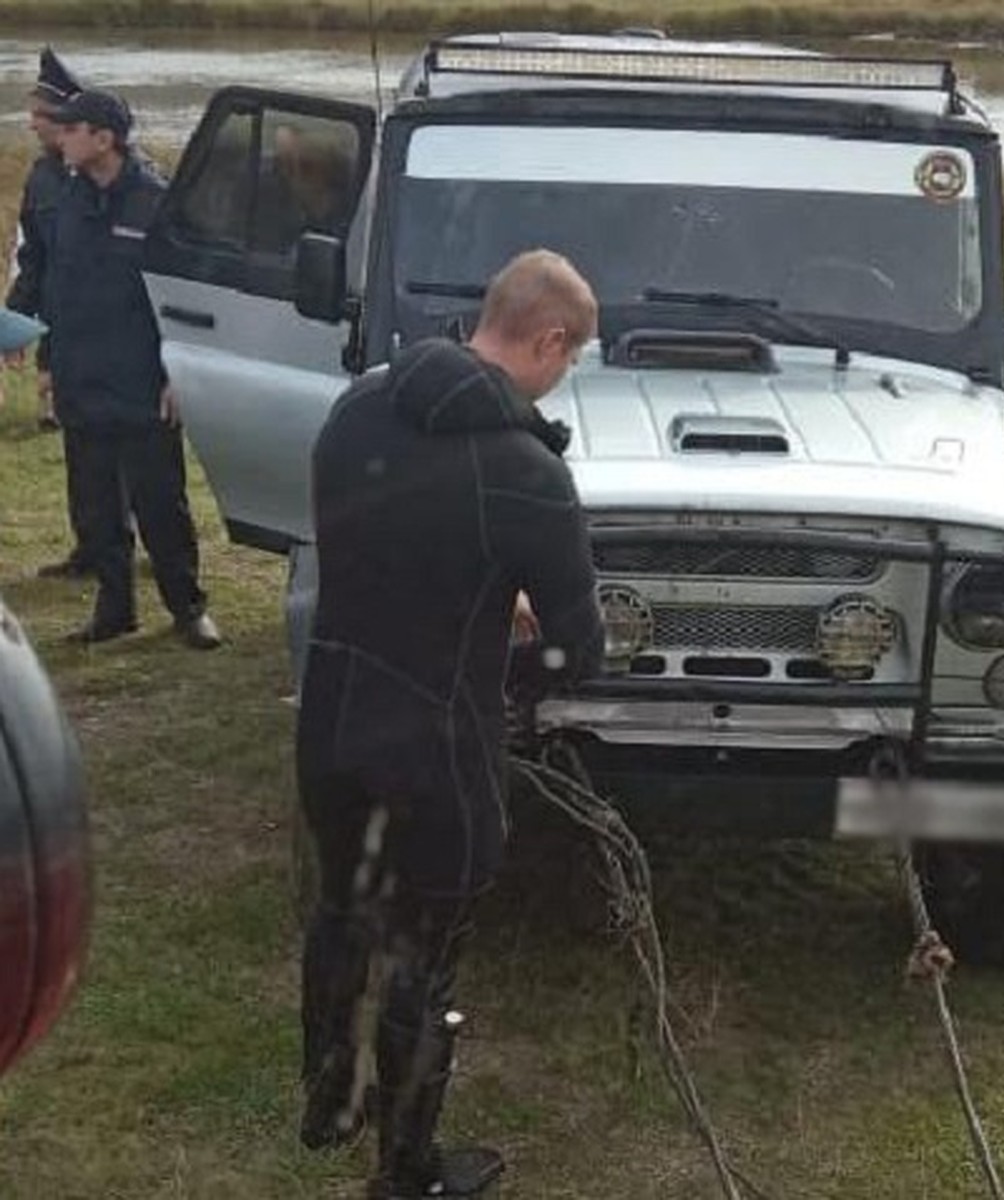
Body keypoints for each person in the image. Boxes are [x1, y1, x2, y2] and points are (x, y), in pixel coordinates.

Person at [297, 249, 605, 1198]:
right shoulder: (526, 470)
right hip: (436, 748)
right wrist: (504, 651)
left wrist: (480, 595)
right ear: (549, 339)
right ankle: (410, 1174)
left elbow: (367, 549)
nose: (565, 375)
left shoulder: (358, 406)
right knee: (422, 960)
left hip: (334, 720)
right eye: (572, 358)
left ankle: (329, 1105)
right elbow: (576, 650)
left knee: (344, 910)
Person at [45, 90, 221, 650]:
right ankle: (114, 610)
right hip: (82, 378)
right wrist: (49, 363)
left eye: (72, 128)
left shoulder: (156, 201)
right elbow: (57, 286)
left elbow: (188, 292)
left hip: (143, 382)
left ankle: (188, 608)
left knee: (161, 504)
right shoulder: (67, 198)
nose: (61, 136)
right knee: (97, 509)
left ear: (105, 138)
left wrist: (179, 372)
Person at [7, 48, 95, 578]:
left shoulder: (116, 175)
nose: (31, 122)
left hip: (117, 334)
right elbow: (32, 258)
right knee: (80, 444)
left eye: (39, 113)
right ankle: (91, 547)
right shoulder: (41, 178)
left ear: (64, 119)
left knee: (133, 450)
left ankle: (157, 552)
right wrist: (14, 327)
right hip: (63, 329)